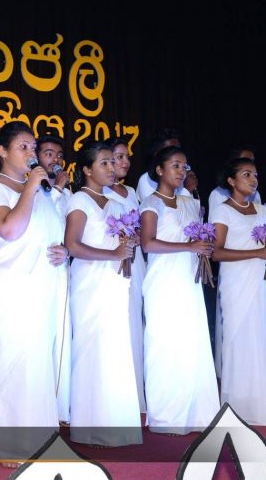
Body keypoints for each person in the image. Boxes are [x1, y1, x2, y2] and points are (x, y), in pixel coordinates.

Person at [0, 121, 68, 467]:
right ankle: (11, 445)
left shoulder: (42, 190)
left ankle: (40, 441)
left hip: (40, 286)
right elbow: (10, 229)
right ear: (2, 151)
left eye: (33, 148)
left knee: (37, 364)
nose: (32, 154)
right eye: (23, 147)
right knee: (12, 362)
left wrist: (64, 251)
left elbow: (52, 230)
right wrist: (30, 187)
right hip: (9, 288)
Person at [65, 140, 142, 447]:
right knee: (92, 349)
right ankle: (90, 428)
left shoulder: (116, 202)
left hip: (114, 281)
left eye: (113, 162)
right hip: (90, 283)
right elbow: (72, 245)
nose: (112, 168)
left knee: (113, 349)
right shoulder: (79, 200)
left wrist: (129, 242)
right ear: (87, 169)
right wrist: (113, 254)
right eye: (104, 163)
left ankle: (115, 423)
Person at [140, 146, 220, 433]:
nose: (181, 171)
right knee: (165, 343)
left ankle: (197, 412)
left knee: (191, 342)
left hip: (188, 279)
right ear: (159, 170)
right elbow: (147, 243)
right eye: (175, 165)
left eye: (184, 166)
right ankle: (167, 415)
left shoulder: (189, 203)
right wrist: (189, 247)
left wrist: (202, 247)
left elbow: (197, 238)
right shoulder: (151, 203)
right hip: (164, 280)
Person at [210, 157, 266, 425]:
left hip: (259, 281)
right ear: (231, 180)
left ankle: (263, 404)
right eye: (246, 174)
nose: (253, 180)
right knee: (238, 338)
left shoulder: (263, 211)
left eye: (255, 175)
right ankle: (238, 406)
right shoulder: (222, 211)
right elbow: (216, 253)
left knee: (262, 338)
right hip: (235, 281)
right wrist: (256, 253)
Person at [104, 137, 146, 412]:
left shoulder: (131, 191)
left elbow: (142, 225)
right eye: (118, 157)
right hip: (112, 263)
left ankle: (136, 392)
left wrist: (138, 236)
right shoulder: (98, 192)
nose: (124, 162)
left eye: (126, 157)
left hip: (136, 261)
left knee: (135, 321)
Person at [35, 133, 72, 424]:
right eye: (48, 153)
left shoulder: (69, 194)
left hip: (60, 269)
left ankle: (59, 406)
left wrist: (68, 250)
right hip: (35, 269)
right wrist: (56, 188)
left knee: (60, 336)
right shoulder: (31, 187)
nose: (55, 160)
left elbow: (72, 231)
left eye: (58, 155)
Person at [135, 128, 196, 201]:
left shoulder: (183, 177)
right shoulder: (146, 180)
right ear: (157, 154)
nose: (177, 153)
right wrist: (187, 190)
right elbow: (161, 207)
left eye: (178, 149)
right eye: (171, 150)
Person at [207, 145, 262, 223]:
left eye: (252, 161)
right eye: (245, 160)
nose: (249, 164)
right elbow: (214, 225)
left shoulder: (256, 194)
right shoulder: (218, 194)